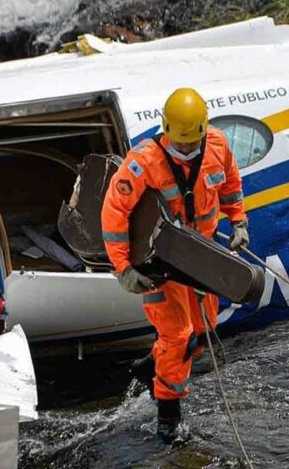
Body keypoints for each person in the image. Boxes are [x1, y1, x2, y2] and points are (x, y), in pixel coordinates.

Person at [101, 87, 249, 444]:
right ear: (165, 129)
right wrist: (123, 268)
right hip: (160, 265)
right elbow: (114, 212)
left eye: (189, 143)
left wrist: (239, 222)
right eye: (178, 144)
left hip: (201, 256)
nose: (184, 150)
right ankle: (168, 417)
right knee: (178, 337)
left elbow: (229, 184)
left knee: (202, 331)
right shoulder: (143, 163)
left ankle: (152, 368)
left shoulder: (216, 147)